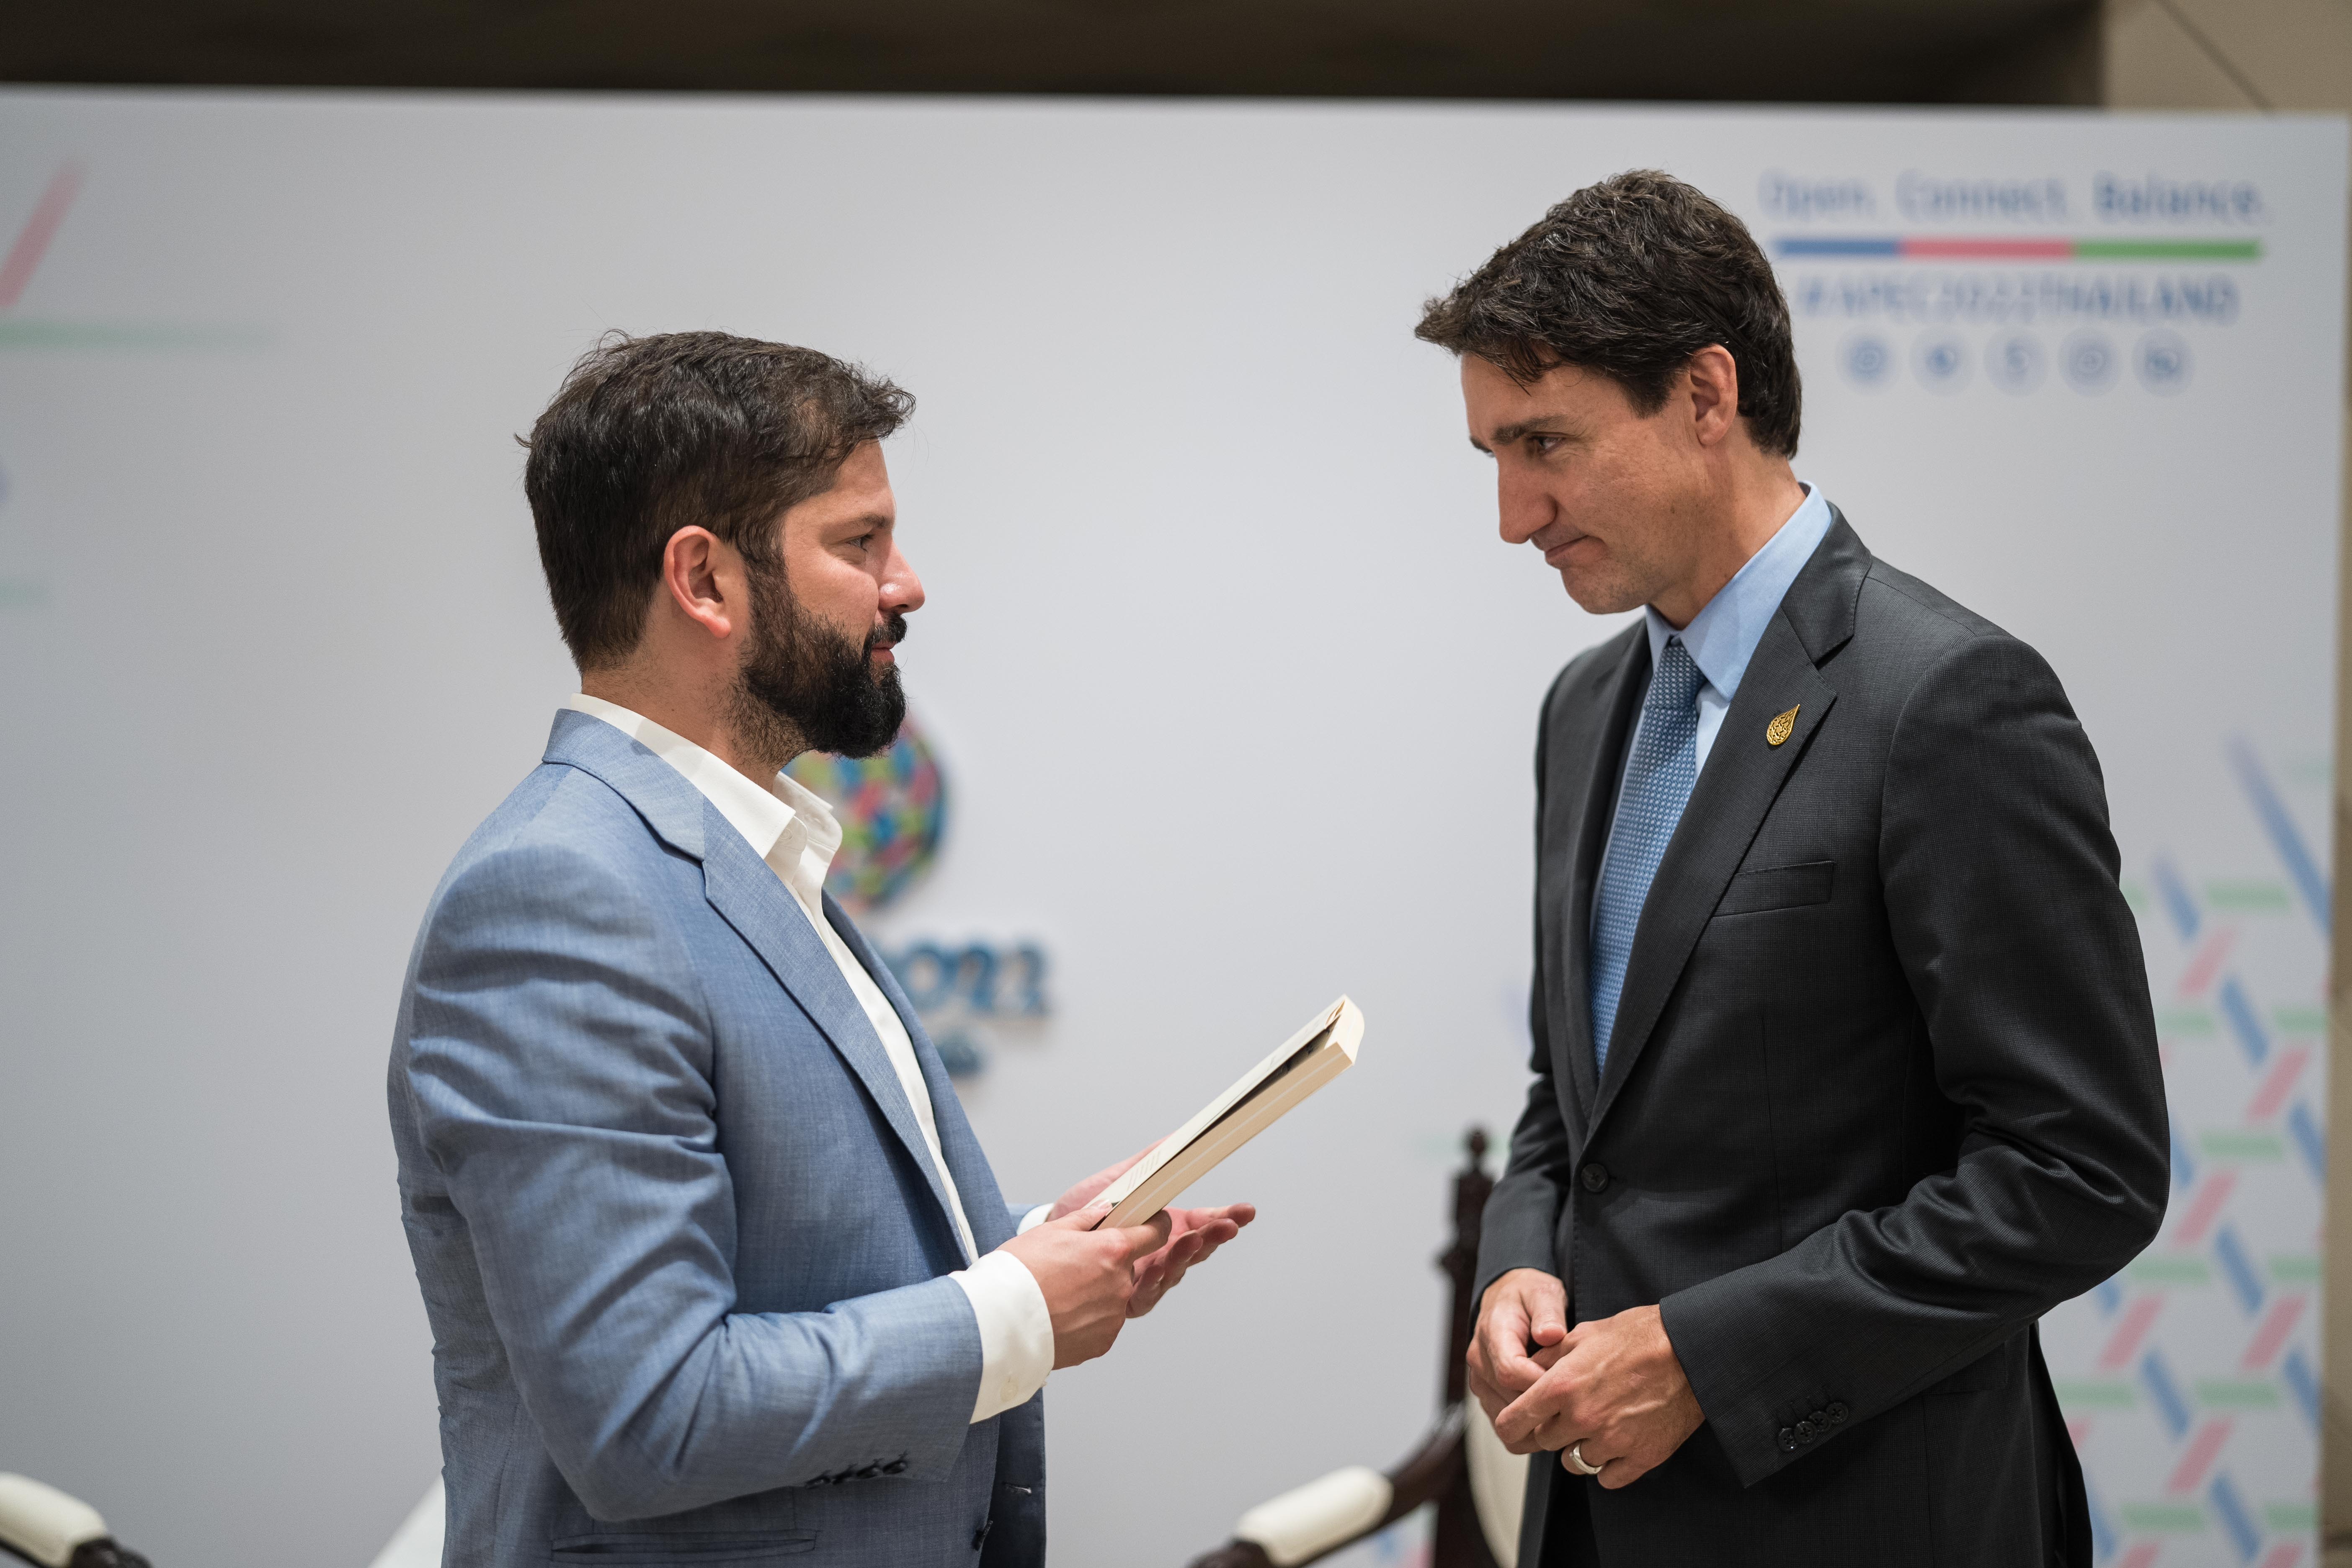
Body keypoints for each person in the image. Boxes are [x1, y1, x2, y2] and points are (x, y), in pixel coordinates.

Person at [386, 331, 1253, 1568]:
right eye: (858, 543)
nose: (906, 585)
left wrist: (1029, 1249)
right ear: (706, 580)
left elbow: (786, 1260)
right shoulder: (558, 895)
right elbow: (648, 1412)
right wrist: (1010, 1313)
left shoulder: (749, 856)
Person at [1416, 172, 2168, 1566]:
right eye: (1492, 459)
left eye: (1547, 444)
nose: (1514, 514)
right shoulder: (1586, 711)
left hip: (1869, 1517)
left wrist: (1708, 1355)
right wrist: (1525, 1255)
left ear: (1708, 395)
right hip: (1602, 1518)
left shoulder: (1948, 700)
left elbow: (2081, 1170)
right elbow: (1572, 1107)